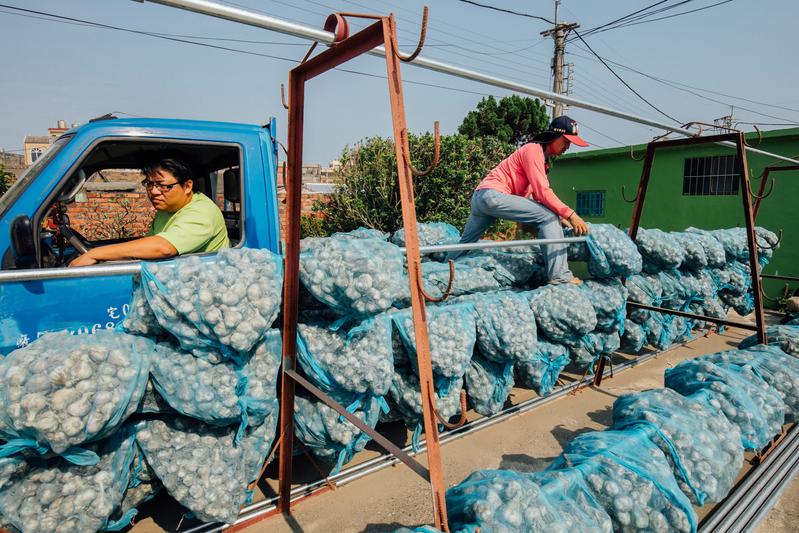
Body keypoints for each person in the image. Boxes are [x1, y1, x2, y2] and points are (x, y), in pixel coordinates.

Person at [450, 115, 590, 284]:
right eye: (566, 141)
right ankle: (560, 276)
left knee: (466, 244)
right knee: (548, 217)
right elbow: (543, 192)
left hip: (481, 197)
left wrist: (560, 218)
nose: (567, 146)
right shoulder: (534, 150)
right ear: (554, 136)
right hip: (493, 196)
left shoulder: (539, 158)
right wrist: (570, 215)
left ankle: (439, 267)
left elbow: (533, 197)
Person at [69, 154, 229, 267]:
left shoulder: (202, 212)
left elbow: (163, 247)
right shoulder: (168, 208)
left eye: (162, 185)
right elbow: (146, 246)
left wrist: (94, 254)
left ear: (187, 186)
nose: (153, 191)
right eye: (150, 184)